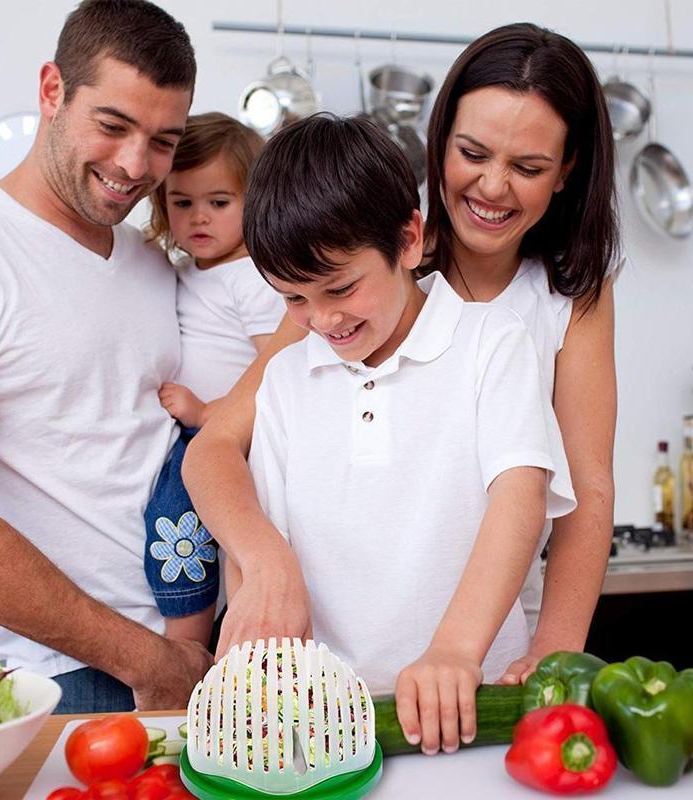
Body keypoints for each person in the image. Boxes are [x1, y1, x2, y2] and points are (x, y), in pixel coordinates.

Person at [182, 21, 618, 744]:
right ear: (439, 141)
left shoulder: (541, 309)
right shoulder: (344, 268)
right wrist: (263, 567)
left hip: (480, 658)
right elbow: (225, 444)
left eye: (529, 166)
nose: (492, 185)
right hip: (329, 709)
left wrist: (551, 654)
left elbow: (576, 488)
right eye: (472, 152)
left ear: (567, 169)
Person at [0, 0, 212, 714]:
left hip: (207, 650)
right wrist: (148, 660)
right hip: (91, 675)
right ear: (51, 91)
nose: (135, 165)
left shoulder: (154, 261)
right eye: (112, 126)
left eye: (164, 140)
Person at [236, 112, 576, 754]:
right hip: (329, 730)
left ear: (409, 240)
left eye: (340, 288)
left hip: (477, 713)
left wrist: (454, 650)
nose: (320, 320)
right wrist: (266, 670)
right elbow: (264, 548)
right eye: (292, 299)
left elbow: (520, 497)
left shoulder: (491, 342)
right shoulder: (284, 378)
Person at [140, 113, 285, 646]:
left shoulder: (253, 278)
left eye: (219, 203)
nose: (199, 218)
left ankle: (187, 644)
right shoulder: (185, 271)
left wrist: (209, 413)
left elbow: (276, 366)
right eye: (182, 203)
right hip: (198, 429)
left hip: (227, 433)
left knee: (176, 520)